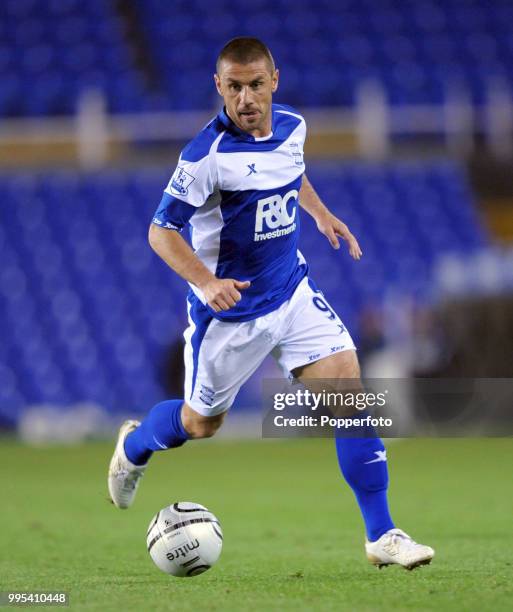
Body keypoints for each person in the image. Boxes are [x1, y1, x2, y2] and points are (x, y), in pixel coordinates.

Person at [108, 37, 434, 570]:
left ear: (274, 81)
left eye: (255, 84)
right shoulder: (205, 156)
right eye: (233, 87)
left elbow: (291, 169)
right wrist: (206, 281)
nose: (245, 98)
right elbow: (160, 231)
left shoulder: (293, 126)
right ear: (219, 87)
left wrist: (321, 214)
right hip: (230, 316)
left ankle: (382, 533)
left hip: (292, 293)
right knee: (199, 424)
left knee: (350, 400)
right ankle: (136, 445)